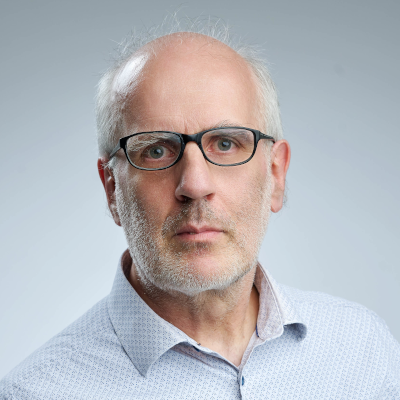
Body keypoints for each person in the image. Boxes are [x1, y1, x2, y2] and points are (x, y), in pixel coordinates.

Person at [1, 19, 399, 400]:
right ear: (112, 189)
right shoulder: (36, 393)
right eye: (156, 150)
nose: (194, 184)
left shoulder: (366, 352)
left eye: (225, 144)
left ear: (276, 175)